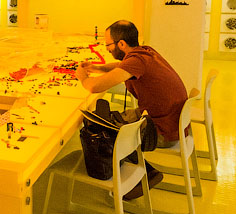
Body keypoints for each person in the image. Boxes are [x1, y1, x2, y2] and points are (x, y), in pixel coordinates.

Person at [74, 20, 189, 199]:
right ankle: (145, 171)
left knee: (99, 130)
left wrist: (83, 78)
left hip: (162, 131)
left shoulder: (137, 61)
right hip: (172, 122)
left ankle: (138, 178)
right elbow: (122, 66)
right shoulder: (145, 52)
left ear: (121, 44)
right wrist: (98, 68)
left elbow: (94, 87)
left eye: (108, 45)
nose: (107, 49)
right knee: (104, 118)